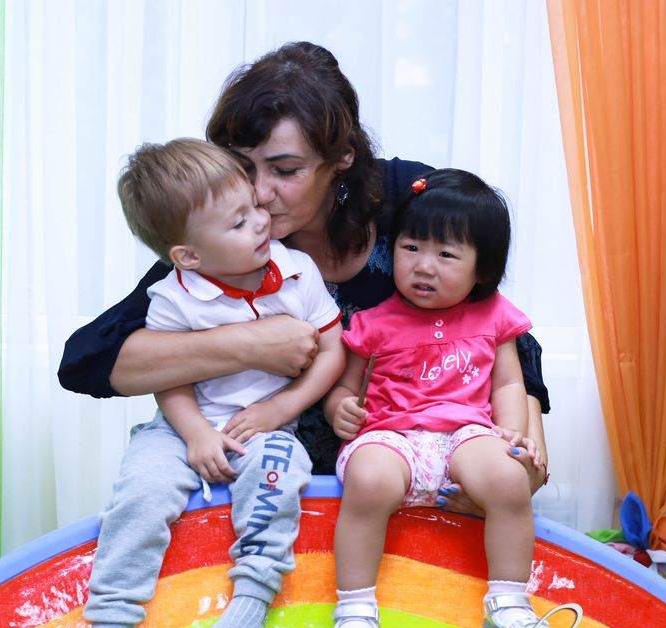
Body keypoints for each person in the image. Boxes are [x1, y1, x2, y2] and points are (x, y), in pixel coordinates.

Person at [57, 41, 550, 501]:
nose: (259, 193)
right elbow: (89, 361)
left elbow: (501, 329)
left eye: (286, 170)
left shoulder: (409, 197)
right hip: (264, 483)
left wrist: (522, 458)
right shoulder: (231, 238)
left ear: (343, 157)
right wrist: (248, 344)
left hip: (402, 481)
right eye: (243, 167)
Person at [80, 139, 345, 628]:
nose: (261, 220)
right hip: (180, 428)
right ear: (189, 256)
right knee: (141, 493)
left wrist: (282, 408)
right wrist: (196, 433)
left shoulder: (297, 271)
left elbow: (332, 350)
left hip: (266, 426)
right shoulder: (172, 297)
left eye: (253, 206)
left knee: (279, 478)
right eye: (239, 221)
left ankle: (252, 595)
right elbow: (170, 378)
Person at [323, 169, 555, 628]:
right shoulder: (373, 322)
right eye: (410, 248)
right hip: (391, 435)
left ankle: (509, 603)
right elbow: (344, 386)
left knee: (508, 477)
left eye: (446, 255)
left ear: (482, 269)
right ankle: (355, 612)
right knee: (368, 480)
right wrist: (339, 407)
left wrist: (512, 431)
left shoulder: (494, 316)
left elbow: (508, 384)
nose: (423, 266)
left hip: (465, 434)